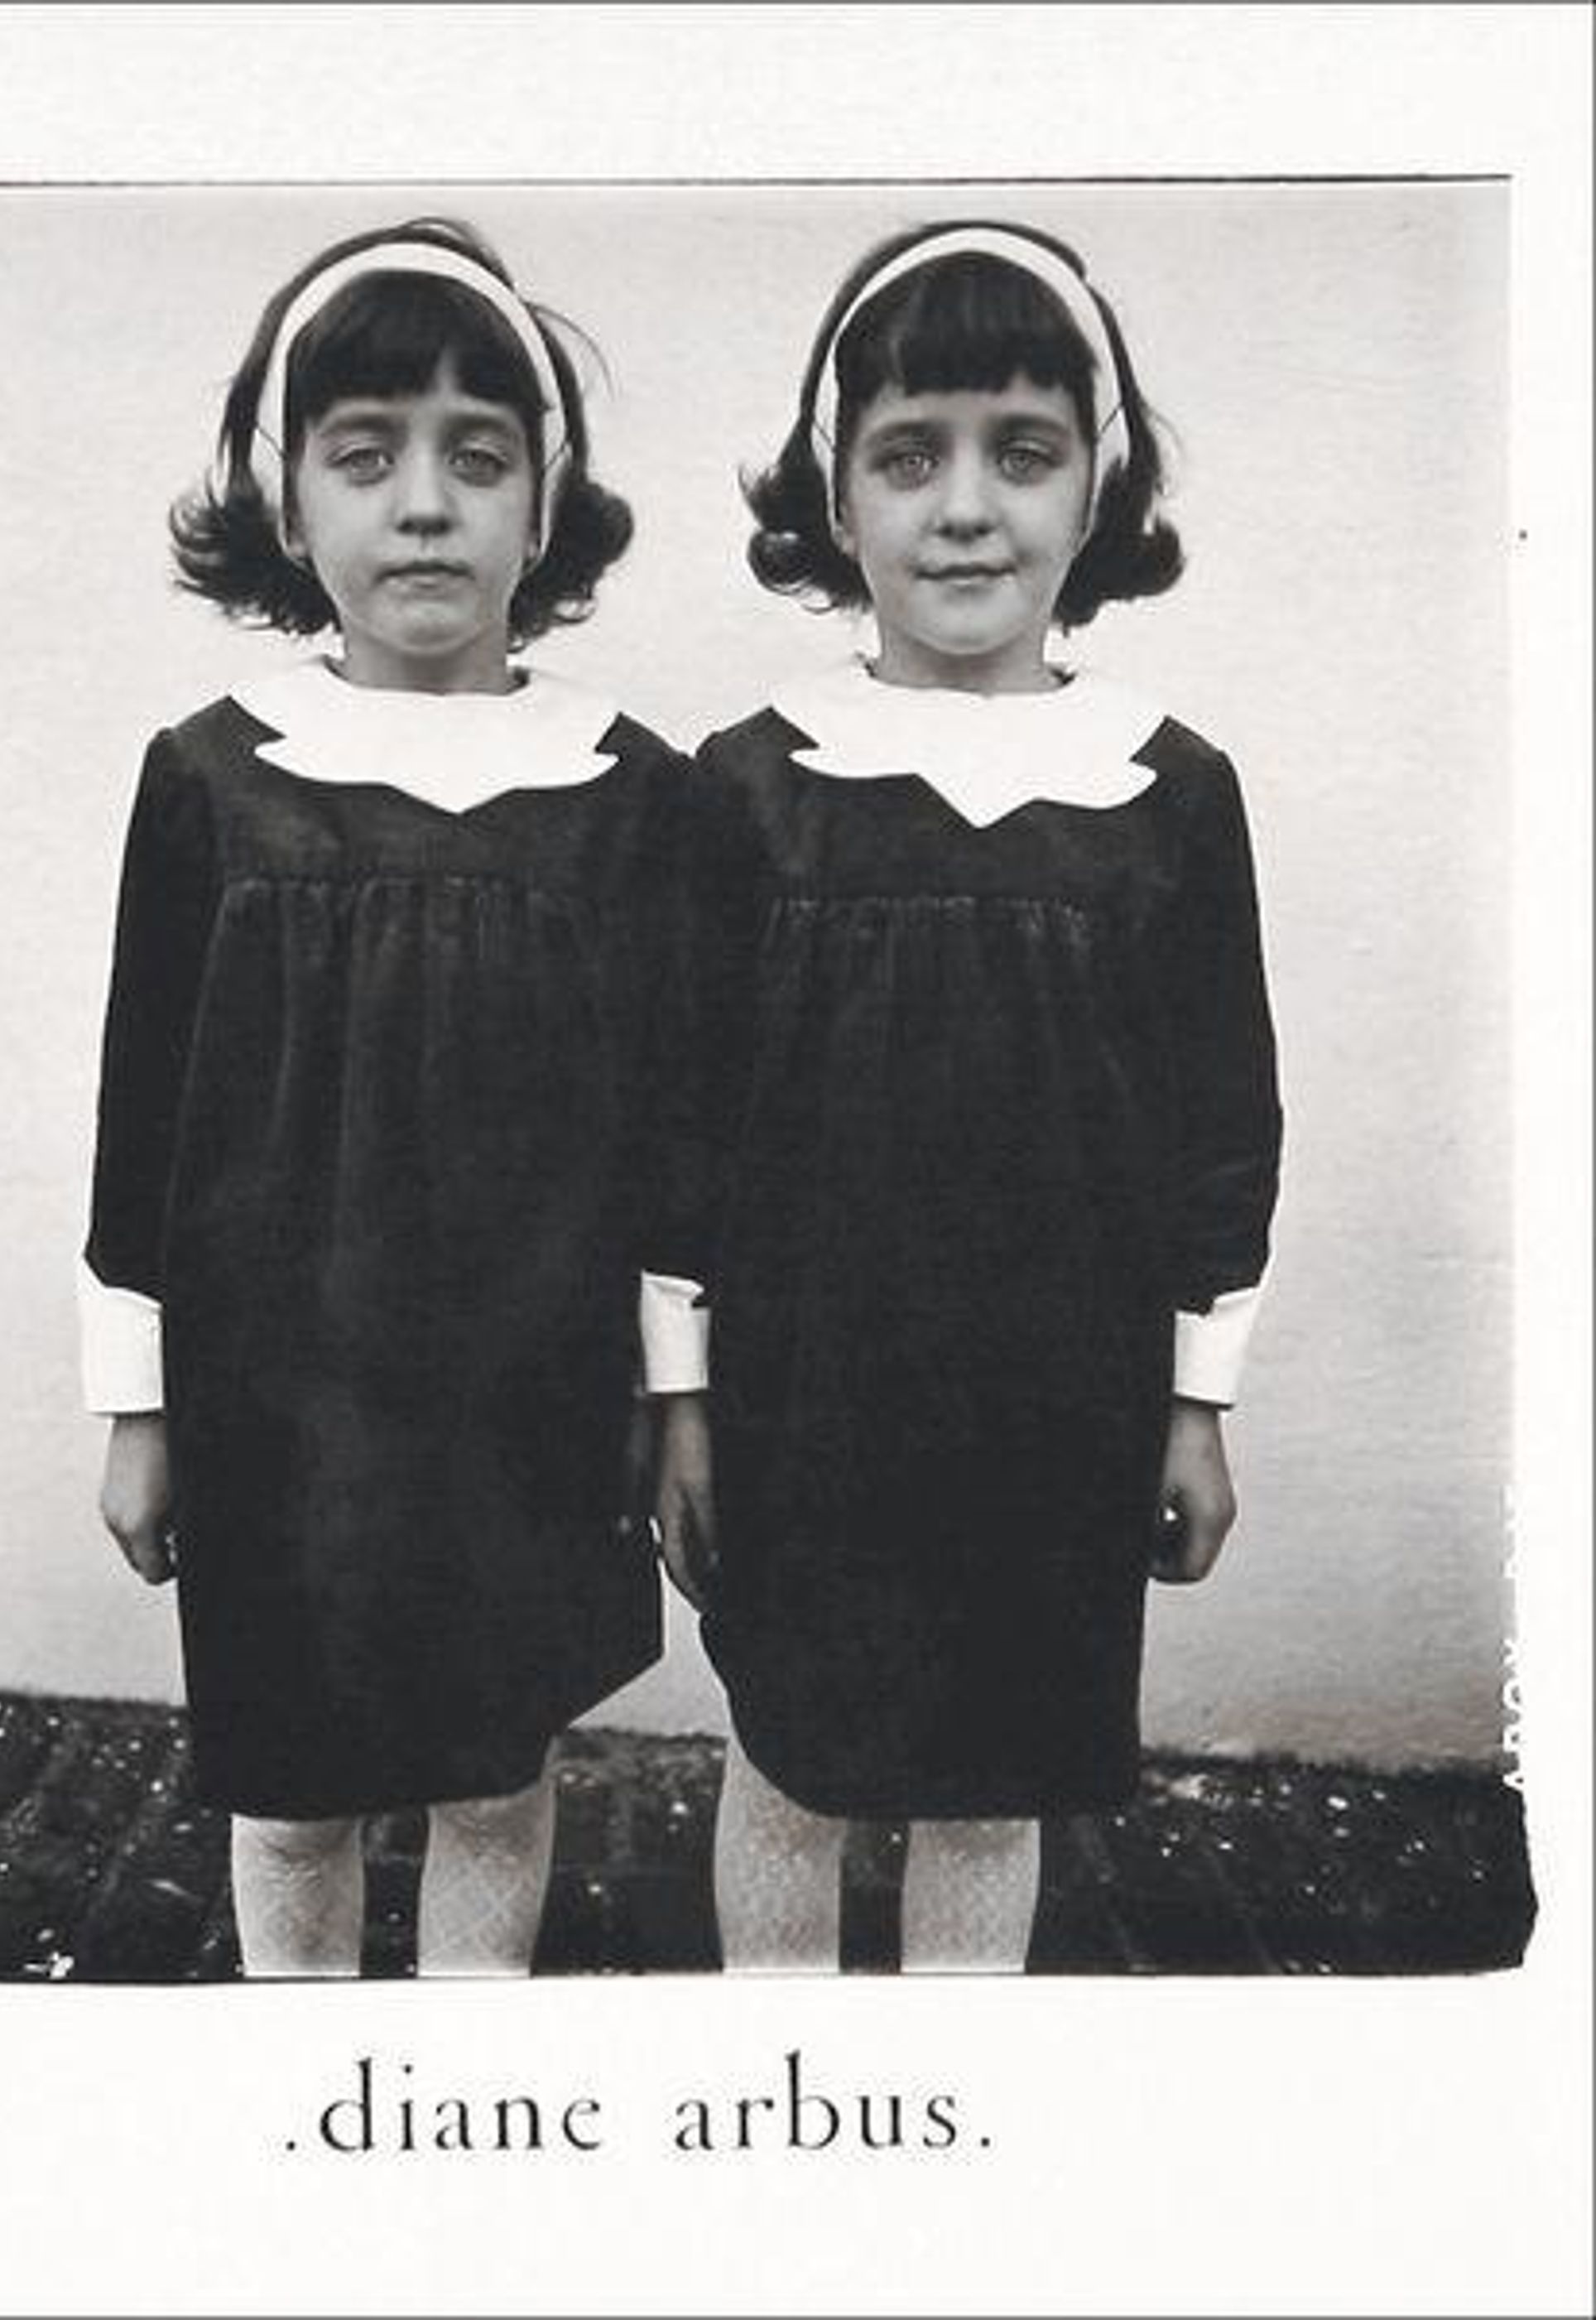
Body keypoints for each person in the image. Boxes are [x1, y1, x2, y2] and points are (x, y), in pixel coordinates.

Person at [653, 220, 1282, 1972]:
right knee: (793, 1762)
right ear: (836, 493)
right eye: (908, 455)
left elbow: (1223, 1126)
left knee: (995, 1777)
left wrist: (1196, 1401)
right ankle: (779, 2067)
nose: (965, 508)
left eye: (1023, 451)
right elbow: (676, 1129)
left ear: (1100, 487)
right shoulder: (752, 788)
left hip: (1057, 1400)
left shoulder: (1167, 794)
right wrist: (678, 1396)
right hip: (807, 1398)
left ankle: (955, 2082)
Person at [80, 219, 699, 1977]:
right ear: (288, 505)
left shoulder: (626, 795)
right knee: (297, 1782)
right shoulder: (214, 781)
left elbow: (678, 1136)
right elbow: (142, 1115)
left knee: (496, 1763)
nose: (424, 504)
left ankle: (461, 2055)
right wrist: (138, 1406)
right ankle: (309, 2061)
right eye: (365, 457)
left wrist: (674, 1391)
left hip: (531, 1394)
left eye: (477, 458)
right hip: (281, 1395)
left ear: (544, 505)